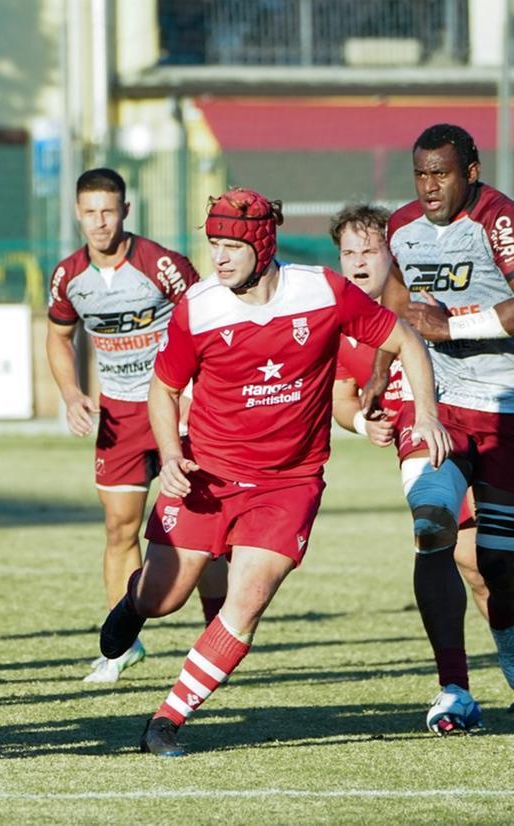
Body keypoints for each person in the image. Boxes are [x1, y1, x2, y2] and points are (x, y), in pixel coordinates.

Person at [97, 188, 448, 757]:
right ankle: (135, 604)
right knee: (164, 598)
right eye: (214, 244)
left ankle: (166, 721)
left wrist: (426, 414)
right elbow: (162, 389)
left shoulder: (322, 291)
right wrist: (170, 455)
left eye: (231, 246)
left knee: (247, 601)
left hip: (289, 482)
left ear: (262, 246)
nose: (219, 258)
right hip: (207, 473)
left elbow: (406, 339)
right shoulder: (199, 306)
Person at [46, 168, 227, 683]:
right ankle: (122, 646)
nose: (100, 222)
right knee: (119, 527)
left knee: (205, 526)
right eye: (90, 213)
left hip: (177, 406)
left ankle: (217, 633)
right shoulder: (68, 277)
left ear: (126, 210)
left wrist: (194, 392)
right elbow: (58, 337)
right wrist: (71, 393)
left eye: (109, 211)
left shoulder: (162, 265)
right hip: (120, 415)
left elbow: (208, 318)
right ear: (77, 214)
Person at [328, 203, 491, 733]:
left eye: (369, 250)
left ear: (393, 253)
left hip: (475, 430)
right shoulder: (338, 322)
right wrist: (362, 423)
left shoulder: (424, 300)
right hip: (426, 450)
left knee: (485, 564)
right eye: (348, 252)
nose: (358, 262)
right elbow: (341, 397)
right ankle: (457, 687)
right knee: (453, 548)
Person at [380, 123, 514, 721]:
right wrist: (381, 370)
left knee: (499, 566)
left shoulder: (498, 220)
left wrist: (453, 326)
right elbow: (399, 307)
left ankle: (509, 664)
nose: (429, 186)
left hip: (504, 407)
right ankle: (454, 688)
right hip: (437, 404)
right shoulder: (401, 226)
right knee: (432, 524)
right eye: (420, 174)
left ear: (471, 173)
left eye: (441, 173)